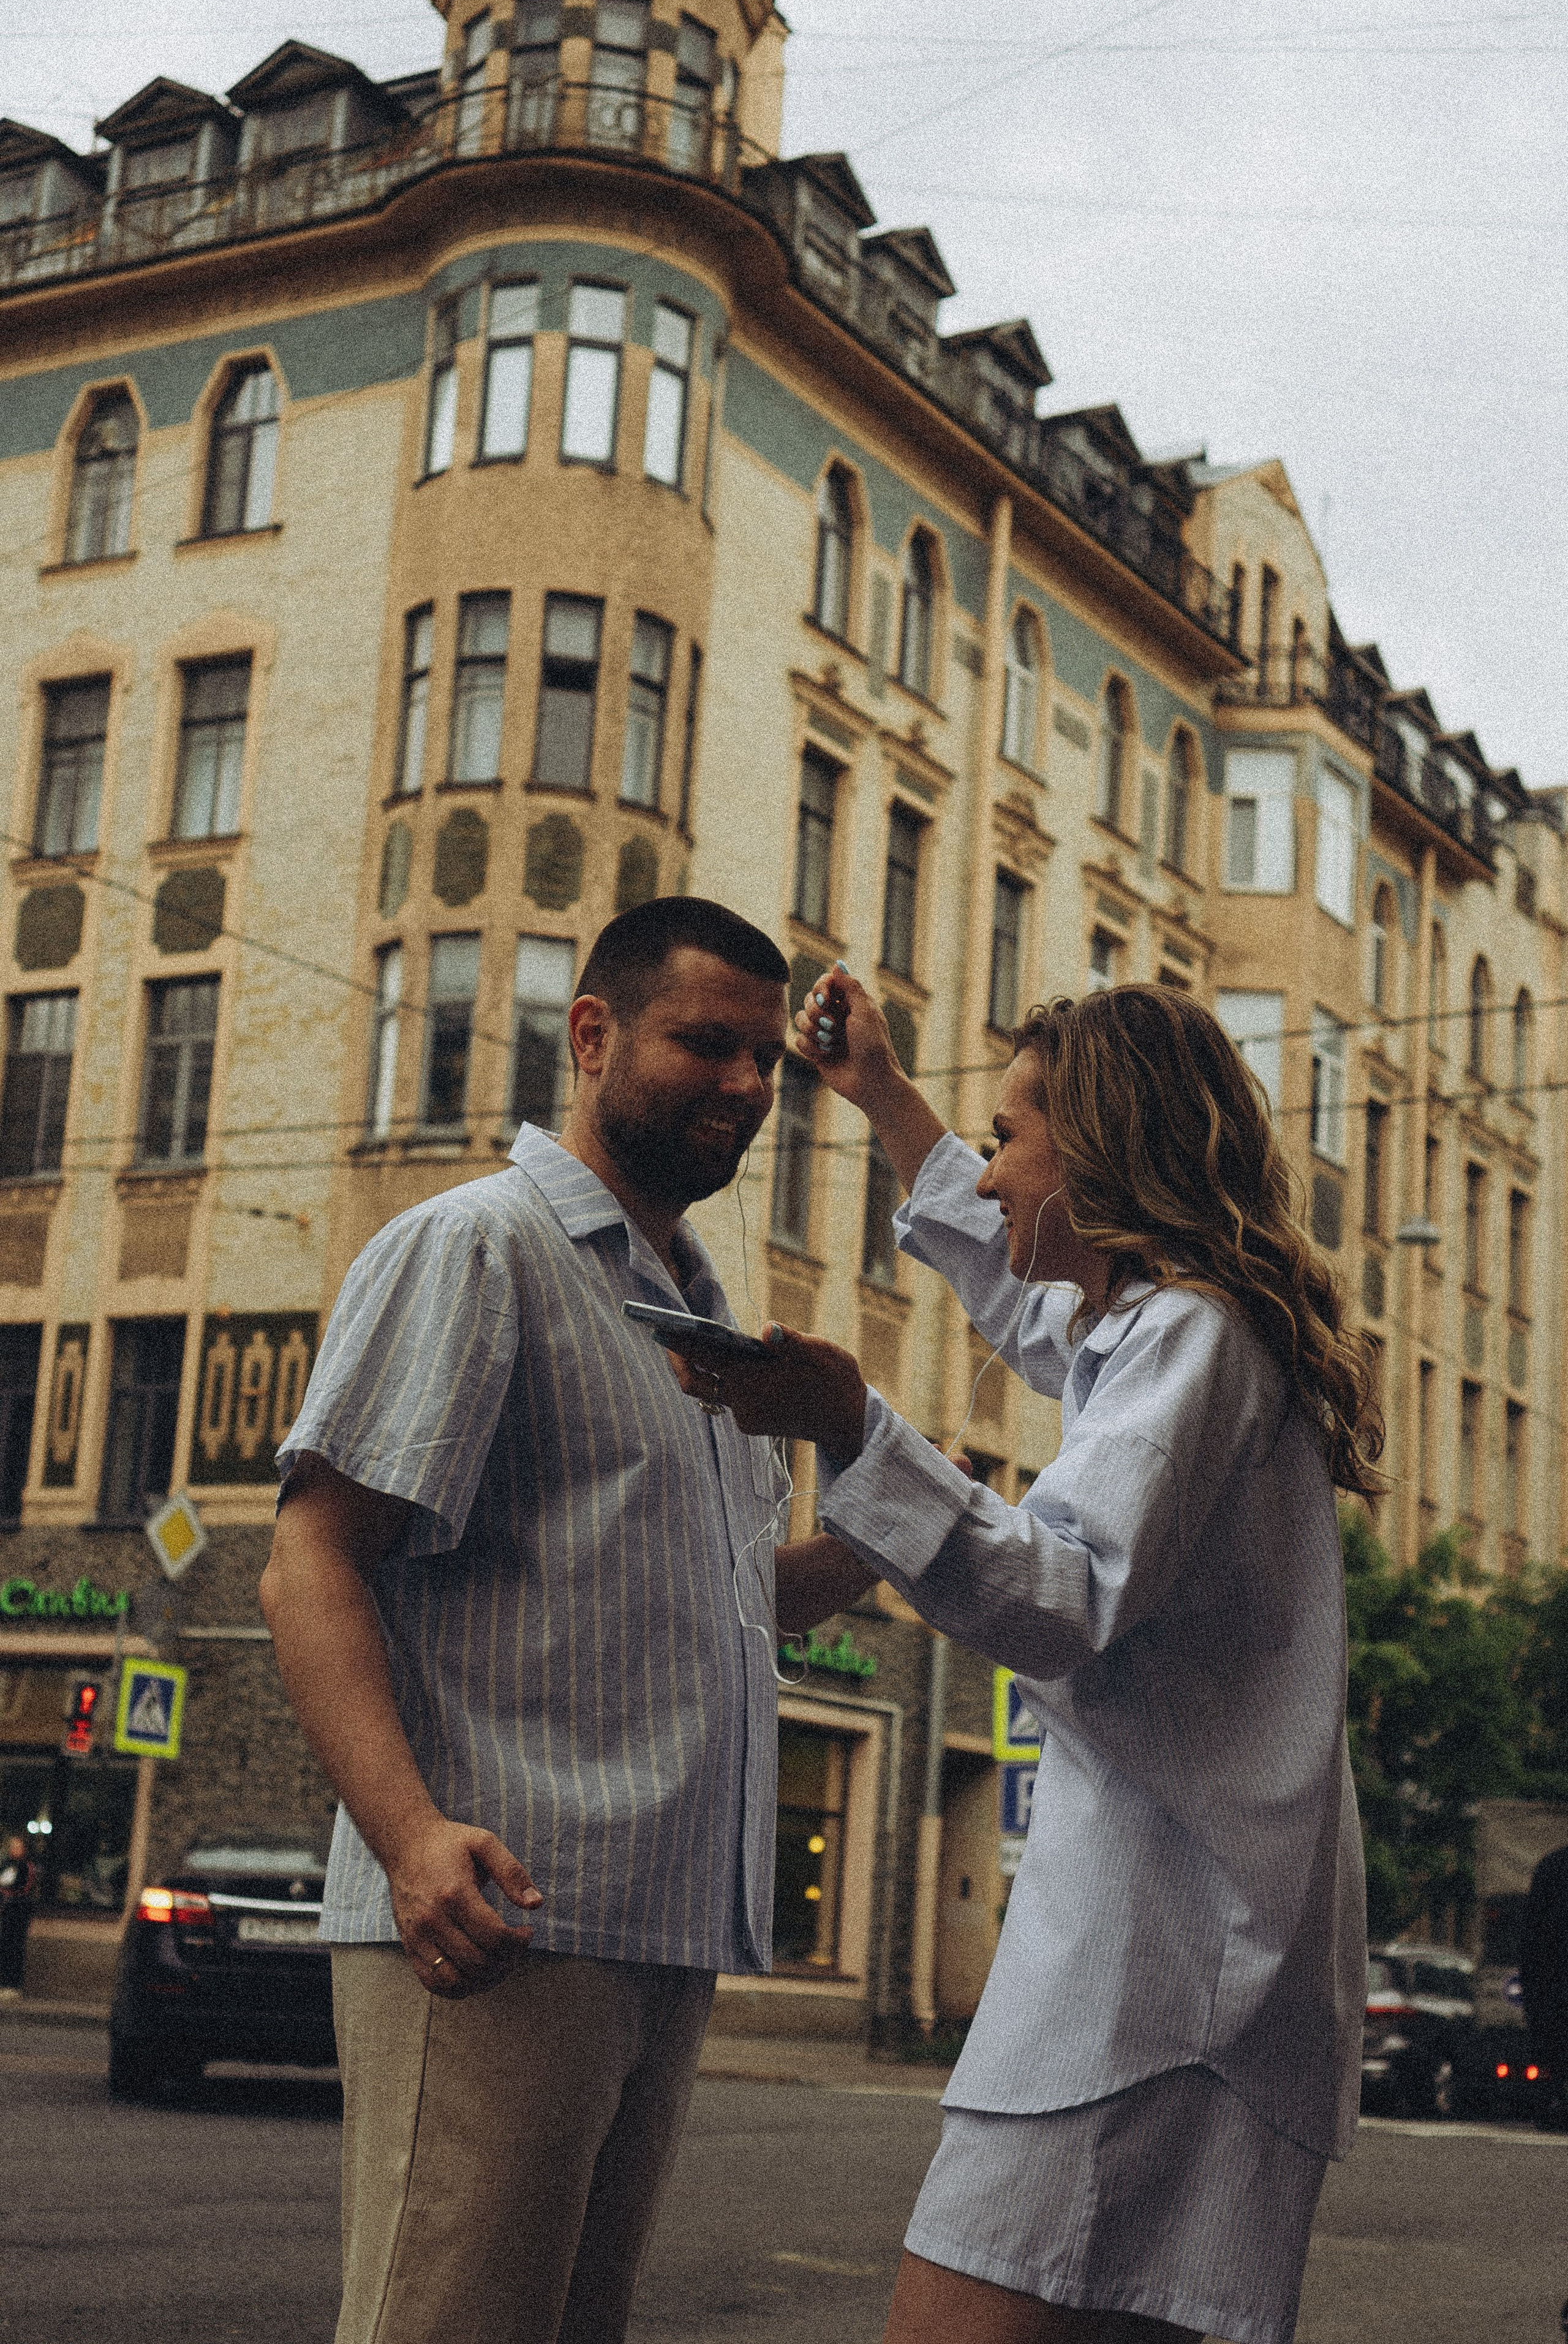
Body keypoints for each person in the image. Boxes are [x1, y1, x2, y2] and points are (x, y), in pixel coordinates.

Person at [680, 974, 1380, 2344]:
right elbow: (1021, 1299)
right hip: (1197, 1968)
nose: (987, 1174)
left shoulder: (1189, 1337)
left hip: (1149, 1982)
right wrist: (883, 1096)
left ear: (1103, 1152)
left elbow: (1060, 1595)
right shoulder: (1168, 1332)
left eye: (1008, 1138)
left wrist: (850, 1425)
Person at [260, 897, 870, 2344]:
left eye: (765, 1061)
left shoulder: (701, 1316)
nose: (743, 1085)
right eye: (704, 1043)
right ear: (589, 1036)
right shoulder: (480, 1245)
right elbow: (308, 1561)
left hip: (655, 1929)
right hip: (498, 1919)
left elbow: (717, 1605)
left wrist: (890, 1529)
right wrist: (411, 1837)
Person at [1521, 1839, 1568, 2122]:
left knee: (1555, 2053)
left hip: (1551, 1986)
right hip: (1551, 1984)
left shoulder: (1551, 1867)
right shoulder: (1551, 1868)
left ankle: (1554, 2102)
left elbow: (1532, 1938)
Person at [0, 1832, 38, 1998]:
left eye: (18, 1846)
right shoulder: (6, 1864)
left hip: (19, 1911)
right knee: (4, 1946)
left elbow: (25, 1888)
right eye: (12, 1846)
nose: (14, 1849)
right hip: (5, 1911)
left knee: (14, 1947)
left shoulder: (27, 1866)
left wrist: (6, 1892)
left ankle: (13, 1985)